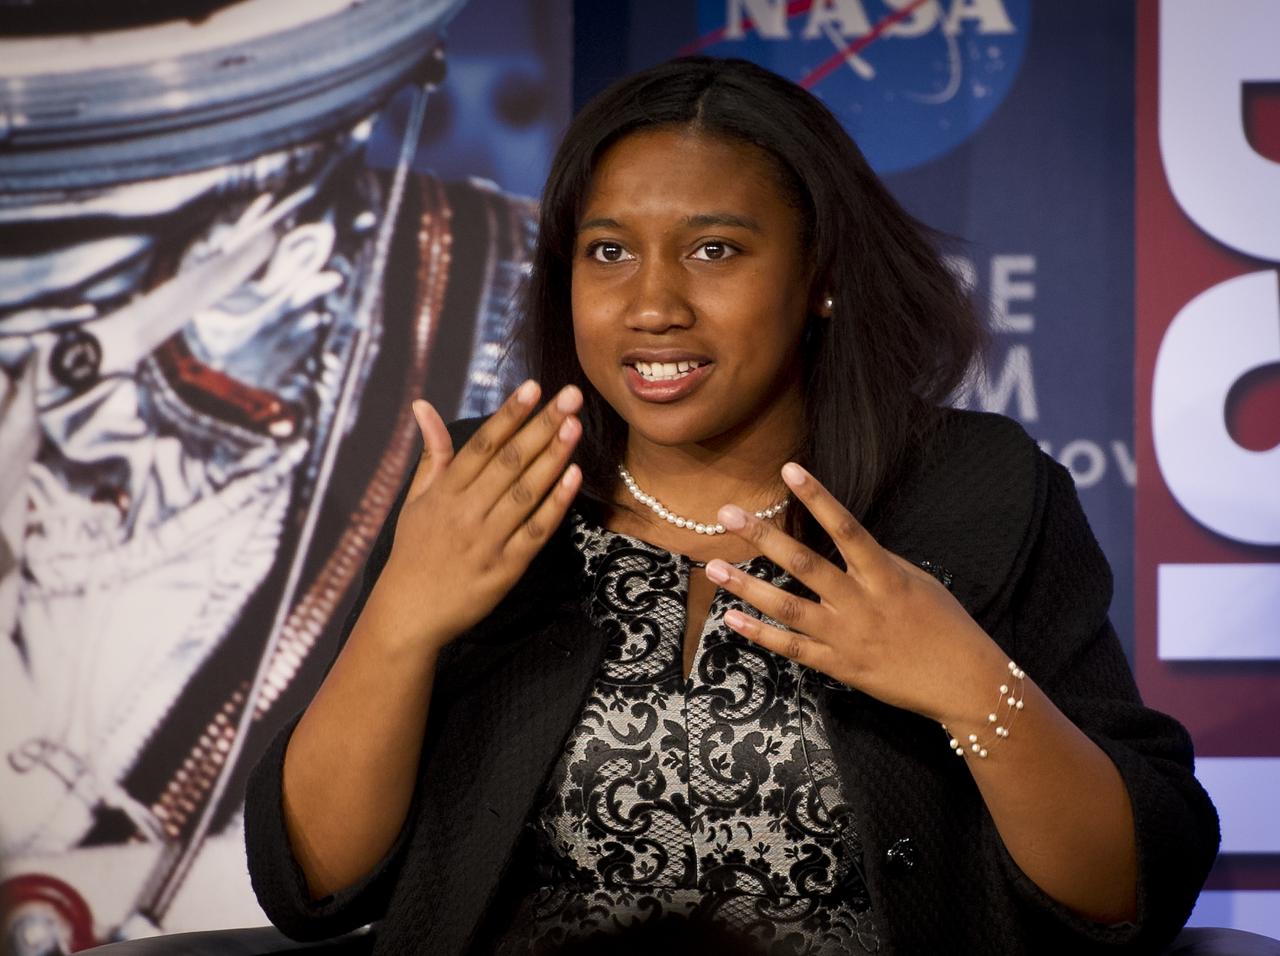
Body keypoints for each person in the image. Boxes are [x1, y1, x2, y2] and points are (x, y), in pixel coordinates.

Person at [244, 57, 1219, 955]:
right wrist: (400, 621)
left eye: (713, 250)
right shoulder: (488, 485)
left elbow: (1131, 888)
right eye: (608, 251)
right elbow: (314, 886)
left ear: (820, 277)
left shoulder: (975, 490)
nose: (653, 302)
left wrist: (966, 682)